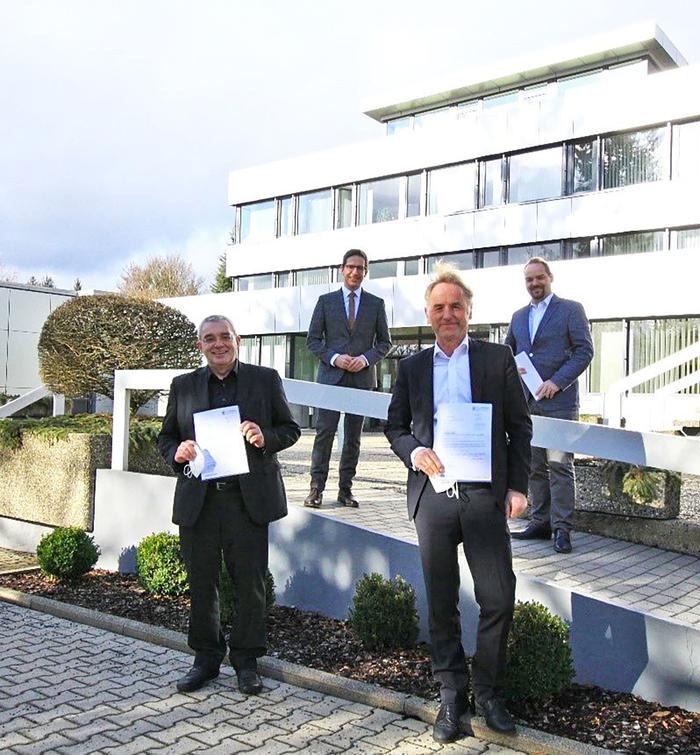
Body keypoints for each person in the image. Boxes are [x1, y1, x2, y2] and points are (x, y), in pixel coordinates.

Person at [385, 266, 531, 744]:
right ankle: (452, 692)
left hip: (485, 496)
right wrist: (413, 452)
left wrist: (516, 487)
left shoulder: (497, 359)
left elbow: (519, 427)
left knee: (497, 597)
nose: (448, 314)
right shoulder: (411, 367)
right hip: (433, 498)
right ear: (428, 316)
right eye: (438, 307)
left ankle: (488, 692)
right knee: (442, 602)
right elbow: (395, 427)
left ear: (468, 312)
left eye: (456, 306)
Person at [157, 314, 300, 695]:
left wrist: (263, 436)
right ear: (200, 345)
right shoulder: (183, 386)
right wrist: (179, 451)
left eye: (225, 337)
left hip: (246, 500)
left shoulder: (264, 380)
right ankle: (206, 659)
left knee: (250, 584)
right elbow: (166, 438)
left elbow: (290, 429)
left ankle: (246, 661)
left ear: (237, 340)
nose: (218, 344)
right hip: (199, 501)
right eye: (209, 339)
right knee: (202, 582)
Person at [505, 258, 593, 554]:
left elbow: (585, 351)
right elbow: (509, 352)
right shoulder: (518, 316)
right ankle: (540, 521)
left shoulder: (571, 309)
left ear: (550, 277)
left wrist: (557, 382)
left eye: (539, 278)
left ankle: (562, 529)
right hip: (526, 403)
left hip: (559, 402)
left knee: (559, 466)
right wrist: (510, 368)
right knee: (534, 467)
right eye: (529, 280)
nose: (534, 284)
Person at [304, 249, 391, 509]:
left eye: (360, 268)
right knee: (324, 434)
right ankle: (315, 489)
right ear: (342, 269)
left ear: (366, 271)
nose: (355, 272)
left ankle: (346, 490)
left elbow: (385, 343)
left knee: (353, 438)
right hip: (331, 378)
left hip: (361, 379)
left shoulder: (376, 304)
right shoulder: (325, 301)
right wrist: (334, 358)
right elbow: (313, 340)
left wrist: (364, 359)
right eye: (351, 267)